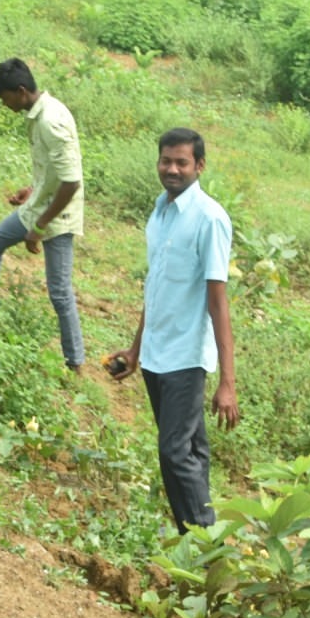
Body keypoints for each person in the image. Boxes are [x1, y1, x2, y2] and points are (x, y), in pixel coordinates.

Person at [110, 130, 237, 529]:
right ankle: (200, 542)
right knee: (191, 451)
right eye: (166, 161)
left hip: (185, 355)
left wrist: (227, 382)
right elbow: (157, 285)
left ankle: (200, 539)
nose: (172, 169)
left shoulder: (210, 219)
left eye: (182, 162)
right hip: (156, 353)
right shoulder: (160, 210)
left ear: (200, 166)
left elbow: (218, 303)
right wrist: (135, 350)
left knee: (174, 452)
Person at [0, 60, 85, 370]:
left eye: (5, 97)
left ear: (21, 92)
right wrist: (31, 189)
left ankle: (75, 362)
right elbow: (54, 171)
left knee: (60, 291)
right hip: (40, 204)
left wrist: (40, 225)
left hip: (57, 217)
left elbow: (71, 182)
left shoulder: (51, 121)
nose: (3, 104)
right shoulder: (42, 112)